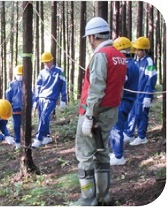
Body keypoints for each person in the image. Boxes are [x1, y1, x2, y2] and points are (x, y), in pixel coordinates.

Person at [74, 17, 127, 205]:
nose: (89, 41)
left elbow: (96, 89)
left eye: (89, 37)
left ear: (92, 36)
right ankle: (104, 196)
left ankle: (88, 200)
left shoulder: (100, 55)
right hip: (110, 112)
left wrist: (89, 115)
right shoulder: (119, 55)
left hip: (95, 113)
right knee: (102, 151)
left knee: (85, 155)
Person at [109, 37, 139, 166]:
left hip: (122, 101)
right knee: (118, 127)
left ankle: (118, 156)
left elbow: (120, 83)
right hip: (129, 100)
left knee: (116, 128)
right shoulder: (134, 64)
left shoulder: (125, 66)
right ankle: (116, 152)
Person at [123, 36, 157, 146]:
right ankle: (129, 133)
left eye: (139, 50)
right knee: (132, 113)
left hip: (144, 94)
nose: (137, 52)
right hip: (135, 94)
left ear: (145, 50)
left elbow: (151, 79)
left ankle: (142, 136)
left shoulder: (149, 62)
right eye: (136, 49)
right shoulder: (137, 62)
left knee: (142, 115)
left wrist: (148, 95)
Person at [32, 52, 67, 148]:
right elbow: (37, 86)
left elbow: (63, 85)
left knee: (44, 117)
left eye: (48, 61)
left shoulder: (59, 71)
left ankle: (38, 138)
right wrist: (35, 100)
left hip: (51, 99)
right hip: (41, 98)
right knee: (41, 119)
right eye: (45, 62)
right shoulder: (42, 72)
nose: (47, 64)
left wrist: (63, 99)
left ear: (52, 60)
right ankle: (46, 137)